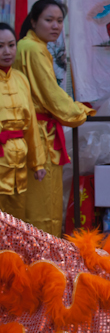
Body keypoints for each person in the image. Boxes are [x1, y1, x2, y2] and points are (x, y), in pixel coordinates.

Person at [15, 0, 96, 236]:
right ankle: (39, 261)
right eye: (49, 20)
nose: (55, 26)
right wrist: (81, 112)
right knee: (40, 203)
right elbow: (51, 96)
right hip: (36, 135)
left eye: (59, 21)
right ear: (33, 21)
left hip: (41, 132)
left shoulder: (37, 47)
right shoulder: (31, 48)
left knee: (45, 201)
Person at [0, 23, 46, 221]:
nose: (7, 51)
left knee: (16, 224)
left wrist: (37, 162)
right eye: (0, 46)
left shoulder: (21, 79)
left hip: (18, 161)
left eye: (11, 45)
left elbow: (31, 125)